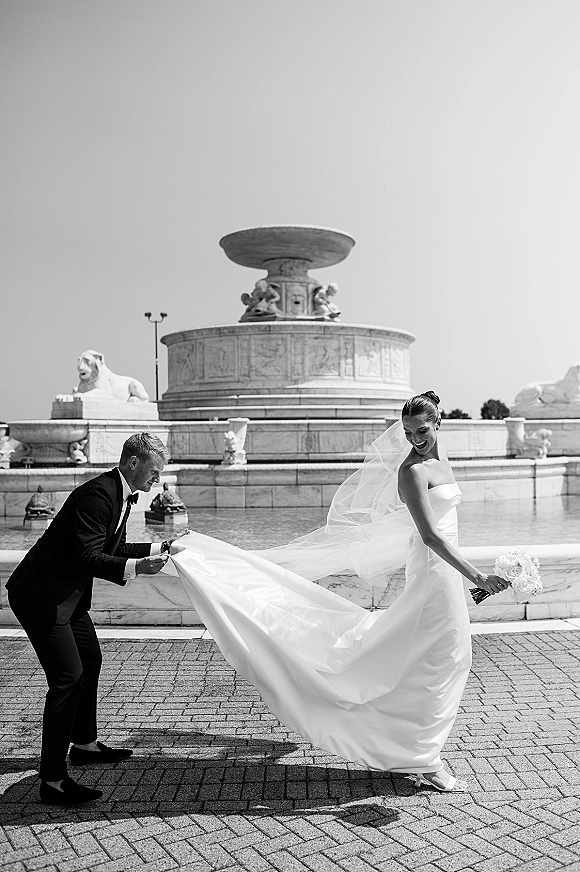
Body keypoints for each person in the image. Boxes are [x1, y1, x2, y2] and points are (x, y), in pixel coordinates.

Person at [168, 392, 509, 793]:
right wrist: (476, 576)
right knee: (443, 659)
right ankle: (423, 757)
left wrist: (472, 577)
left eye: (422, 431)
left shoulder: (441, 460)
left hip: (446, 573)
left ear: (439, 425)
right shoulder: (413, 471)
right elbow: (431, 536)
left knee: (442, 659)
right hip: (434, 571)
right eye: (408, 433)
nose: (416, 439)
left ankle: (414, 748)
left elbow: (446, 525)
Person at [7, 432, 184, 806]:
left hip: (67, 597)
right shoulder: (97, 495)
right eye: (154, 472)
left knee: (90, 658)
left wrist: (162, 547)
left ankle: (84, 745)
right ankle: (52, 781)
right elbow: (89, 556)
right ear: (133, 463)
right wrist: (138, 567)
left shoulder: (118, 494)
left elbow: (112, 547)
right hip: (41, 596)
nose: (156, 480)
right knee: (67, 678)